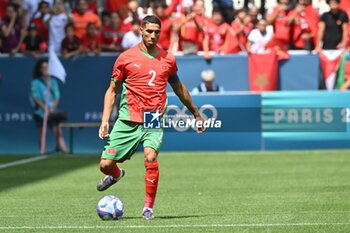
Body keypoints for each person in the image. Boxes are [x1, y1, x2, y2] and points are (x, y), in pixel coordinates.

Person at [96, 15, 205, 220]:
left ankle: (148, 208)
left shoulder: (168, 59)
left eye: (157, 31)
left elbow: (179, 88)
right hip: (127, 117)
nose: (153, 35)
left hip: (152, 117)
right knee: (105, 165)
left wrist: (196, 114)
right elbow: (112, 90)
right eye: (149, 31)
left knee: (150, 157)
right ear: (141, 30)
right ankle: (117, 175)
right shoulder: (126, 58)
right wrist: (104, 120)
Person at [30, 59, 67, 154]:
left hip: (52, 112)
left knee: (58, 131)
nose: (45, 69)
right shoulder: (36, 83)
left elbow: (57, 95)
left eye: (47, 67)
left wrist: (52, 108)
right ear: (40, 70)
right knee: (42, 132)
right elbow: (35, 97)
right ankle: (43, 151)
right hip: (40, 112)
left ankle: (65, 151)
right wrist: (44, 108)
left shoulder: (53, 82)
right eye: (43, 68)